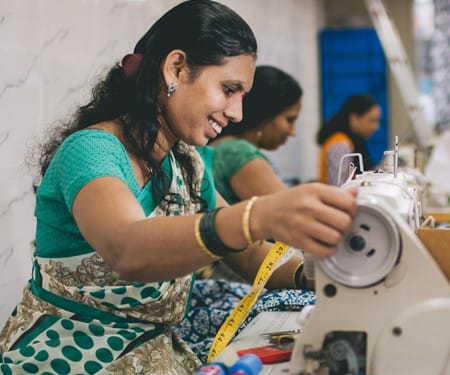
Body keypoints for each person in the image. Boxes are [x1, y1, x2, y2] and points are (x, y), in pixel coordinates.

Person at [0, 1, 358, 373]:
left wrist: (317, 277)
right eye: (229, 89)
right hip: (67, 359)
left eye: (242, 96)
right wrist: (261, 215)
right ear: (176, 68)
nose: (237, 113)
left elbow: (250, 255)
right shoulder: (91, 152)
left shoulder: (185, 163)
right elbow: (128, 249)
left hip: (150, 358)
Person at [208, 65, 303, 204]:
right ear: (266, 114)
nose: (293, 132)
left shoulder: (225, 147)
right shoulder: (238, 153)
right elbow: (293, 212)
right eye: (289, 119)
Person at [317, 94, 381, 186]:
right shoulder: (340, 144)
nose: (376, 127)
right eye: (372, 121)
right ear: (354, 118)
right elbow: (338, 186)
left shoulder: (355, 140)